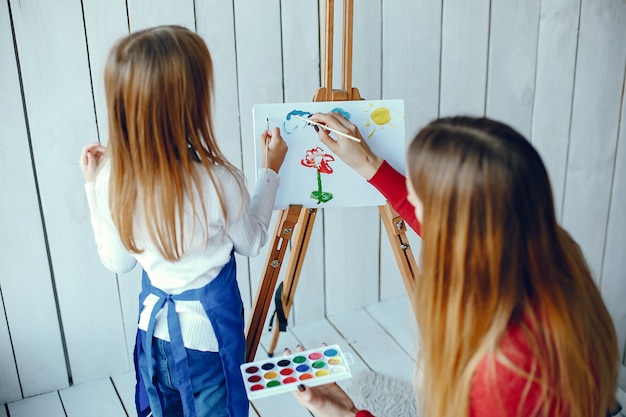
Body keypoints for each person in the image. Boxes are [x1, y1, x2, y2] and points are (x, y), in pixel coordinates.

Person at [290, 113, 620, 417]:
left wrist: (348, 415)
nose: (411, 203)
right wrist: (369, 164)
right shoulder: (551, 251)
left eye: (419, 197)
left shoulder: (502, 368)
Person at [79, 25, 287, 417]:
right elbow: (252, 241)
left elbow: (118, 262)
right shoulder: (217, 181)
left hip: (152, 337)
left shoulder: (112, 179)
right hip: (207, 342)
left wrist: (93, 186)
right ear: (191, 106)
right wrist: (270, 172)